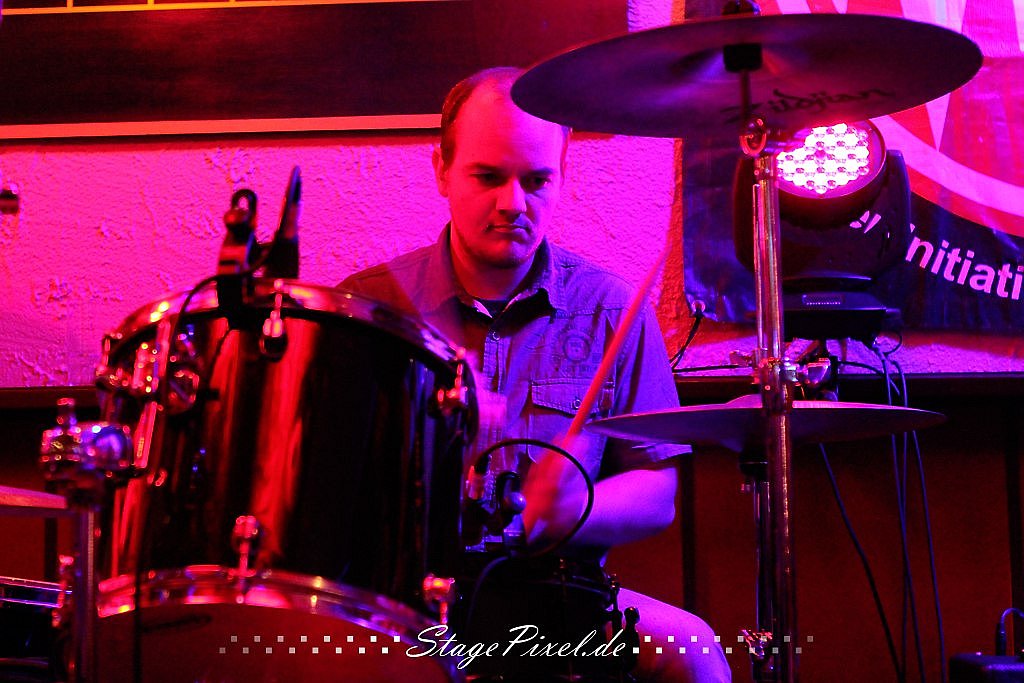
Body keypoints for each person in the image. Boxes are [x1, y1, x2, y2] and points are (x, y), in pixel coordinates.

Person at [341, 67, 730, 683]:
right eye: (487, 177)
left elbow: (657, 492)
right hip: (406, 606)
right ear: (442, 170)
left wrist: (573, 511)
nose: (513, 204)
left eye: (537, 180)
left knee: (693, 652)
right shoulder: (369, 308)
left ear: (562, 176)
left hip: (556, 603)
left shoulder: (610, 308)